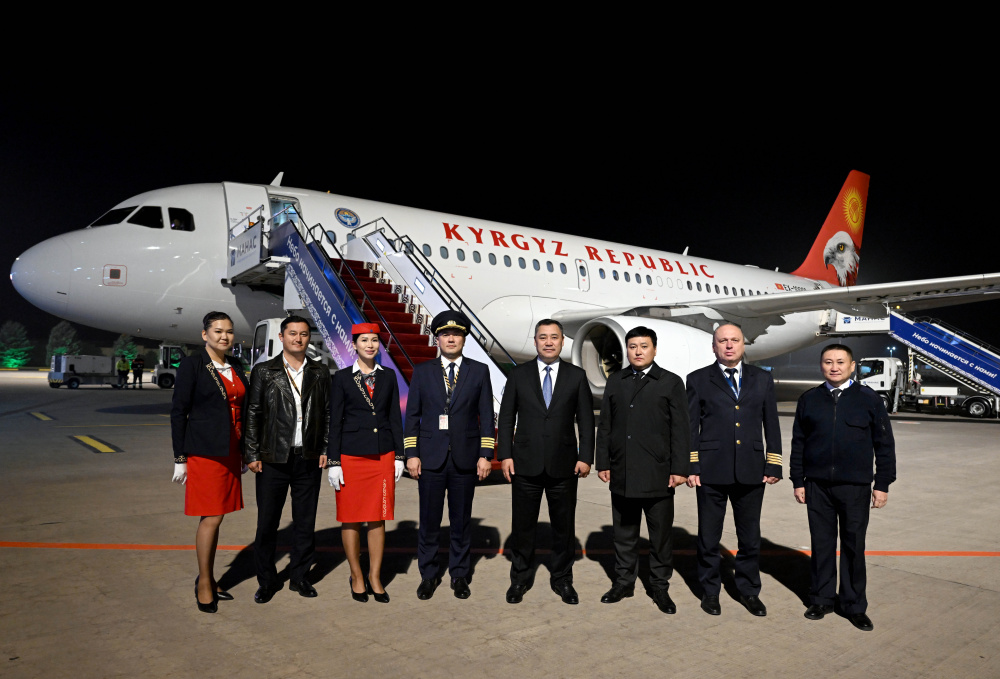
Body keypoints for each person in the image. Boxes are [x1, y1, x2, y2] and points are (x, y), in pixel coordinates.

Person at [790, 343, 896, 631]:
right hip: (818, 486)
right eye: (828, 362)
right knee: (822, 544)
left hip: (855, 487)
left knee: (853, 545)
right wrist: (798, 480)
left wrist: (882, 483)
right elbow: (799, 443)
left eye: (840, 362)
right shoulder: (810, 399)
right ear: (821, 365)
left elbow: (884, 444)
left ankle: (853, 605)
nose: (834, 367)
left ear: (852, 366)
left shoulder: (869, 399)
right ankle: (821, 599)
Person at [685, 323, 782, 617]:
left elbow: (771, 423)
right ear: (714, 346)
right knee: (708, 538)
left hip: (752, 470)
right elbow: (691, 427)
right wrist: (692, 465)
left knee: (750, 538)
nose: (729, 345)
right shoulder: (698, 379)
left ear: (743, 344)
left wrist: (773, 461)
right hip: (711, 470)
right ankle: (710, 592)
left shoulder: (762, 379)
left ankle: (749, 591)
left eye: (734, 340)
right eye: (723, 341)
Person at [497, 319, 594, 605]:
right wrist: (506, 455)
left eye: (554, 337)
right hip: (525, 463)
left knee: (563, 527)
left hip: (564, 465)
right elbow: (506, 418)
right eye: (543, 337)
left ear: (563, 341)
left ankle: (562, 579)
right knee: (522, 526)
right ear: (535, 341)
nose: (548, 342)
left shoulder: (576, 376)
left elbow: (586, 421)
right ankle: (520, 579)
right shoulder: (519, 374)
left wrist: (585, 457)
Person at [595, 326, 690, 614]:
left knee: (660, 537)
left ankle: (659, 586)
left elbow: (681, 430)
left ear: (655, 350)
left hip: (659, 473)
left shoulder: (670, 382)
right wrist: (603, 462)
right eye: (632, 346)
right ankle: (623, 583)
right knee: (624, 534)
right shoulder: (616, 381)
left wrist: (680, 468)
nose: (638, 351)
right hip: (622, 471)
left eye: (644, 346)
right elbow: (606, 425)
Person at [405, 310, 495, 600]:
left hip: (465, 459)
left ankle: (459, 574)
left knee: (460, 522)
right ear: (437, 339)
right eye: (445, 334)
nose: (451, 339)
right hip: (430, 458)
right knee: (429, 522)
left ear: (464, 339)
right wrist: (411, 453)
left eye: (456, 334)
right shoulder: (423, 371)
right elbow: (412, 415)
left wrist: (485, 454)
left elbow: (486, 416)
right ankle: (428, 575)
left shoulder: (479, 371)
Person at [244, 315, 331, 604]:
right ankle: (267, 581)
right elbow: (253, 412)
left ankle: (300, 576)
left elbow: (328, 413)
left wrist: (325, 448)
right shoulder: (265, 371)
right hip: (273, 458)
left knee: (305, 521)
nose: (298, 338)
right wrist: (252, 452)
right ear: (281, 337)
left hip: (308, 457)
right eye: (292, 333)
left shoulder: (320, 372)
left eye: (303, 334)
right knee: (267, 523)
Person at [170, 311, 249, 614]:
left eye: (229, 331)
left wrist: (245, 451)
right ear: (205, 334)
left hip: (230, 451)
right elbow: (179, 412)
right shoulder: (193, 365)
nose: (224, 337)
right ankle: (204, 582)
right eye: (218, 331)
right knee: (211, 517)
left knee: (219, 516)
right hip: (204, 453)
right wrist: (180, 458)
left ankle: (210, 577)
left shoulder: (236, 366)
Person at [327, 323, 405, 603]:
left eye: (374, 340)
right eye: (364, 340)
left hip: (382, 455)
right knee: (350, 518)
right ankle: (356, 575)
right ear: (354, 345)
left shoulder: (389, 376)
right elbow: (335, 421)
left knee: (377, 517)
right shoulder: (342, 378)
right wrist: (334, 460)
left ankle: (375, 576)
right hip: (351, 456)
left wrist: (399, 455)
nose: (370, 345)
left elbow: (394, 417)